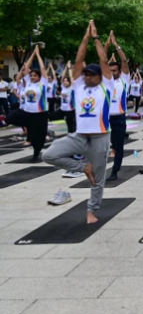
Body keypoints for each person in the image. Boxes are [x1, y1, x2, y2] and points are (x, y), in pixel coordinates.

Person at [43, 21, 113, 223]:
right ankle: (83, 168)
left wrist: (97, 38)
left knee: (98, 180)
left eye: (92, 75)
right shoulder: (79, 87)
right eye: (86, 75)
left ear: (100, 77)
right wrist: (85, 37)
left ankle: (91, 211)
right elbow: (79, 60)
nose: (88, 78)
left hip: (100, 137)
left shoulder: (106, 87)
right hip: (79, 137)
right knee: (49, 154)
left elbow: (104, 61)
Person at [105, 31, 131, 181]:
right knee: (102, 147)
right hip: (105, 118)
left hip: (119, 118)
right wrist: (107, 45)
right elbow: (102, 60)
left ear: (120, 71)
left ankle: (115, 171)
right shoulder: (104, 81)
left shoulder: (124, 80)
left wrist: (116, 45)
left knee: (118, 146)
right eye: (110, 70)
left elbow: (124, 62)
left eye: (114, 70)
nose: (112, 72)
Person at [20, 45, 49, 162]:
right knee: (12, 118)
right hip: (28, 112)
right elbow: (26, 68)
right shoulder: (28, 83)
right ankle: (34, 147)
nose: (32, 77)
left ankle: (37, 152)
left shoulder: (43, 83)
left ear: (39, 77)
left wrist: (39, 55)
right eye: (31, 75)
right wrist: (33, 54)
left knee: (39, 135)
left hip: (40, 113)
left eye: (34, 76)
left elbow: (42, 69)